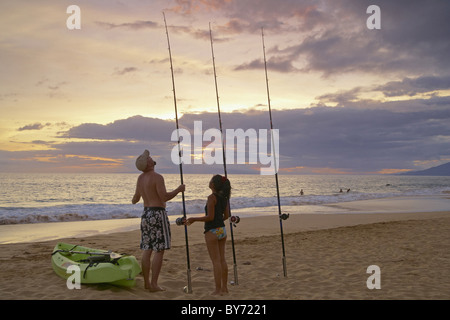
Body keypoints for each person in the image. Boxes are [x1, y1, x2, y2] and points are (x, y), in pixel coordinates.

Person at [132, 149, 185, 292]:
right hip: (157, 214)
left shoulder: (140, 178)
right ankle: (154, 284)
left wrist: (138, 197)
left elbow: (135, 199)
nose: (151, 158)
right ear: (148, 164)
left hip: (146, 214)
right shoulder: (157, 177)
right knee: (159, 250)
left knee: (147, 248)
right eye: (148, 158)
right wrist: (179, 190)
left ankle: (147, 283)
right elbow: (164, 197)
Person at [185, 174, 230, 295]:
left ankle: (217, 289)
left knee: (216, 261)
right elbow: (226, 216)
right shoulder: (225, 198)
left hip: (212, 231)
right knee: (222, 260)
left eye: (210, 180)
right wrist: (218, 221)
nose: (209, 182)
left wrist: (194, 219)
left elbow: (209, 217)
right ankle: (225, 288)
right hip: (222, 230)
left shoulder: (211, 198)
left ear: (213, 185)